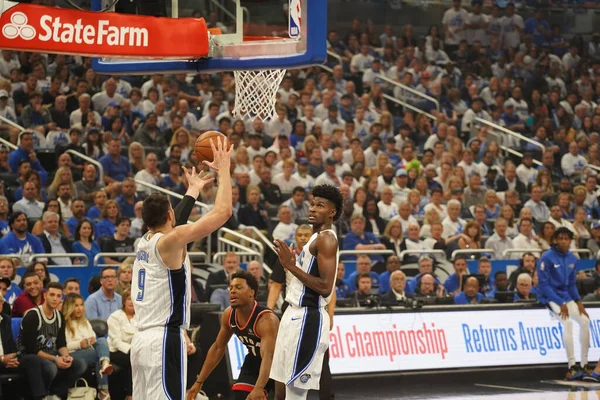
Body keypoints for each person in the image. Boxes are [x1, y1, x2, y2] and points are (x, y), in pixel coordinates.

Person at [131, 136, 233, 400]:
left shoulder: (144, 242)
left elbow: (175, 222)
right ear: (169, 216)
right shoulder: (169, 241)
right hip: (163, 340)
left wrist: (193, 191)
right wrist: (223, 169)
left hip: (140, 341)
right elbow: (223, 212)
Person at [271, 184, 342, 400]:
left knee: (295, 392)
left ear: (332, 212)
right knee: (280, 388)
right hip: (292, 315)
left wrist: (290, 266)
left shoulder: (326, 239)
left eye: (320, 205)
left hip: (308, 318)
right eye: (312, 204)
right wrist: (291, 265)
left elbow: (325, 287)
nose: (312, 208)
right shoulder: (313, 237)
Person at [188, 271, 280, 400]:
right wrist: (199, 382)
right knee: (241, 395)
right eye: (230, 288)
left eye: (238, 287)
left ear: (251, 293)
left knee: (280, 396)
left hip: (279, 361)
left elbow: (269, 357)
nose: (232, 291)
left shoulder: (266, 320)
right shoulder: (229, 314)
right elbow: (217, 348)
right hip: (255, 359)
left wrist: (258, 388)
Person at [17, 282, 87, 400]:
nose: (55, 299)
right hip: (29, 357)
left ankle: (55, 394)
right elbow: (31, 349)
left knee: (80, 364)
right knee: (51, 368)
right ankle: (40, 395)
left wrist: (66, 356)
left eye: (58, 296)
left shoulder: (59, 316)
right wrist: (55, 359)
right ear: (45, 296)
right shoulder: (33, 315)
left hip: (51, 355)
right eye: (52, 295)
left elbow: (61, 344)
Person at [537, 227, 590, 380]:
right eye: (560, 238)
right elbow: (543, 285)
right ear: (555, 240)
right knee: (567, 323)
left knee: (585, 321)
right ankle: (572, 366)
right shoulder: (547, 257)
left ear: (570, 240)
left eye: (566, 238)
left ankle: (584, 365)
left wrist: (578, 301)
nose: (563, 241)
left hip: (566, 296)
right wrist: (560, 303)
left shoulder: (573, 259)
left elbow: (572, 284)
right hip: (551, 296)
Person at [63, 293, 114, 400]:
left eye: (81, 305)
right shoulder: (64, 323)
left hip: (89, 351)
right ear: (69, 306)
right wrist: (79, 344)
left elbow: (93, 338)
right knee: (97, 355)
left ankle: (105, 363)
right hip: (72, 354)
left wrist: (91, 341)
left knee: (102, 340)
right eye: (76, 305)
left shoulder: (85, 321)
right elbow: (63, 346)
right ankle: (104, 391)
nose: (79, 308)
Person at [108, 289, 137, 400]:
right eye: (129, 298)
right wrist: (131, 350)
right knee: (133, 359)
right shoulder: (115, 317)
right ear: (124, 301)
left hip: (135, 350)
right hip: (115, 350)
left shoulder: (141, 318)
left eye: (134, 299)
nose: (131, 302)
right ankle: (130, 395)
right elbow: (116, 341)